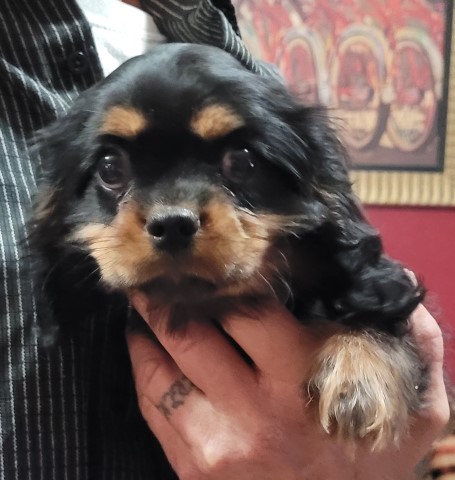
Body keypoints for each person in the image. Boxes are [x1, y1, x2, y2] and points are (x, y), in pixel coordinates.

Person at [0, 0, 449, 478]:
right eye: (113, 170)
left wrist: (373, 350)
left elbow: (362, 282)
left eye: (240, 164)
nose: (171, 214)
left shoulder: (259, 78)